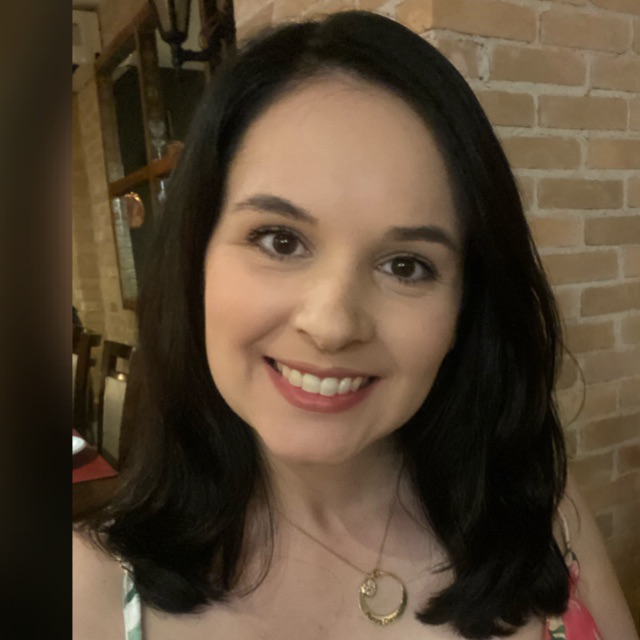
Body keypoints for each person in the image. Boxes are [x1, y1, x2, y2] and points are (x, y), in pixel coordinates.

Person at [73, 10, 638, 640]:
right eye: (280, 240)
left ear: (464, 308)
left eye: (406, 265)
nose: (333, 325)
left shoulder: (542, 517)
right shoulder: (83, 593)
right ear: (194, 260)